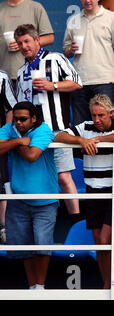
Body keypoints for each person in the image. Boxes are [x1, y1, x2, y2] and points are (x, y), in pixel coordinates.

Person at [54, 94, 114, 289]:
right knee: (100, 244)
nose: (96, 120)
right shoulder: (85, 126)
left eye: (101, 115)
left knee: (106, 240)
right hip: (93, 192)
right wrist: (81, 140)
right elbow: (59, 135)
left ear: (111, 114)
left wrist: (96, 140)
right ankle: (108, 283)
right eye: (94, 115)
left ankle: (111, 284)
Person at [15, 24, 83, 222]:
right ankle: (44, 220)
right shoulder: (21, 71)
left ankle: (75, 220)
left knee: (63, 176)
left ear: (37, 40)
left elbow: (77, 82)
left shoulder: (56, 58)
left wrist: (51, 85)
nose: (24, 46)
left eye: (27, 41)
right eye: (20, 43)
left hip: (57, 129)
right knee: (39, 180)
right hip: (33, 134)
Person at [0, 101, 59, 290]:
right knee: (23, 247)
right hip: (18, 199)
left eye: (23, 119)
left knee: (42, 246)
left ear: (34, 118)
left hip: (45, 200)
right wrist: (17, 141)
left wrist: (11, 144)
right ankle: (32, 286)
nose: (18, 123)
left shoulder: (43, 130)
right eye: (16, 119)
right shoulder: (10, 129)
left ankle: (40, 287)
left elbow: (32, 155)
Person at [63, 0, 114, 126]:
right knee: (81, 127)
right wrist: (71, 49)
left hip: (104, 80)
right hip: (79, 82)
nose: (88, 1)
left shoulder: (112, 17)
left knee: (106, 126)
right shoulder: (73, 20)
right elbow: (66, 50)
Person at [0, 0, 54, 87]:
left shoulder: (35, 7)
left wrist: (23, 44)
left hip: (31, 74)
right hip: (3, 76)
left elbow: (50, 38)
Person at [0, 69, 16, 244]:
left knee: (1, 181)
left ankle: (3, 227)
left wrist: (3, 135)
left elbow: (11, 108)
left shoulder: (2, 77)